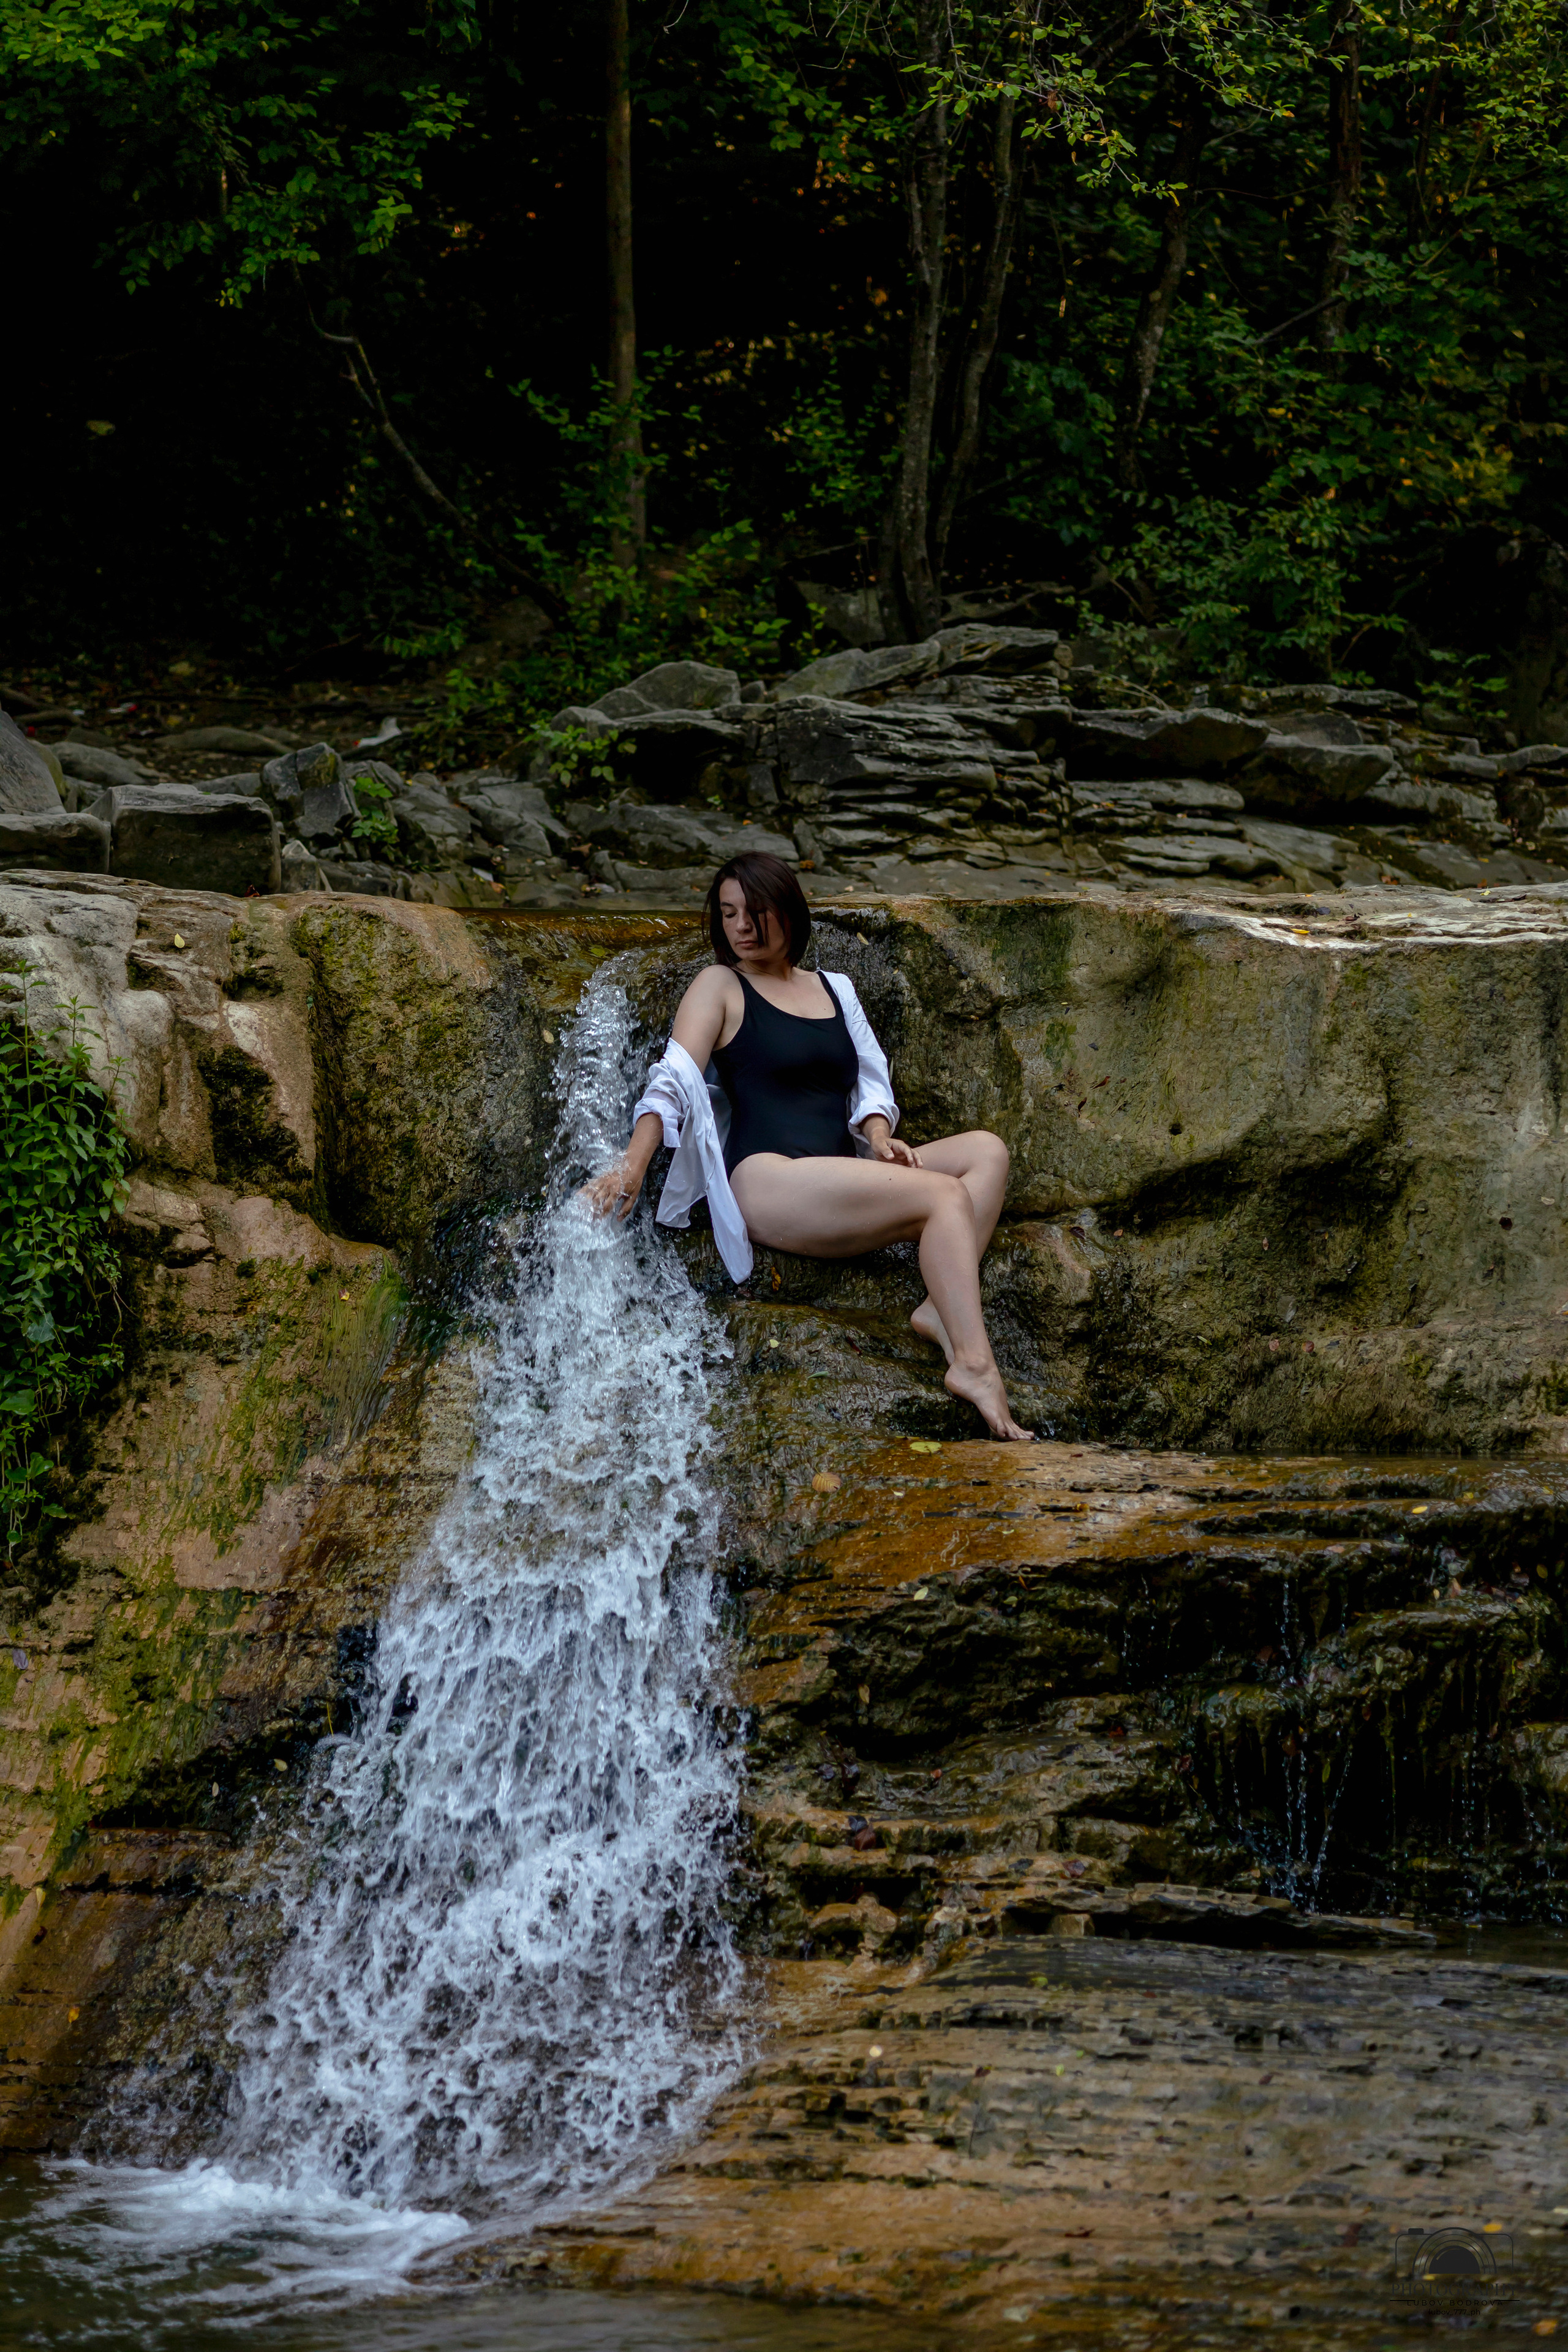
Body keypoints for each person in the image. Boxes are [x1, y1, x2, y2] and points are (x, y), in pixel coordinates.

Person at [587, 851, 1032, 1442]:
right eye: (728, 914)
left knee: (987, 1152)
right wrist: (633, 1163)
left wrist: (880, 1137)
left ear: (789, 911)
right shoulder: (720, 985)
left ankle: (937, 1307)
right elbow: (675, 1079)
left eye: (755, 912)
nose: (742, 927)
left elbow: (869, 1078)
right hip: (767, 1177)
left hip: (839, 1169)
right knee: (945, 1196)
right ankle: (974, 1365)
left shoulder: (835, 988)